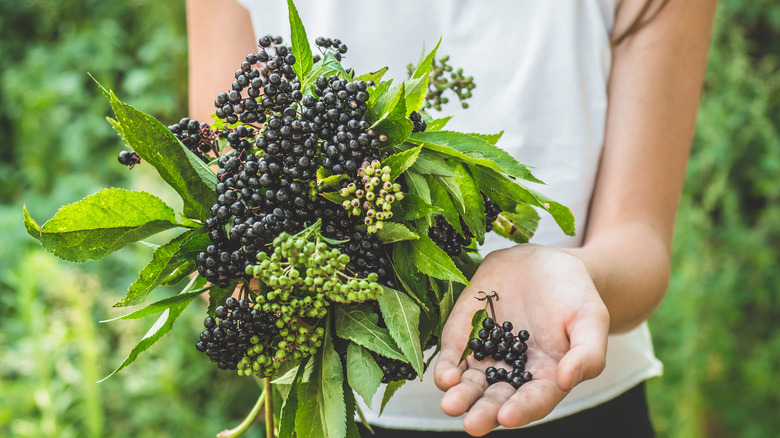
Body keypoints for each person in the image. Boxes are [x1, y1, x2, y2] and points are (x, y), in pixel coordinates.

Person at [186, 0, 716, 436]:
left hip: (576, 401)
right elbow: (227, 185)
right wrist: (256, 278)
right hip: (339, 414)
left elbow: (639, 240)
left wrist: (578, 276)